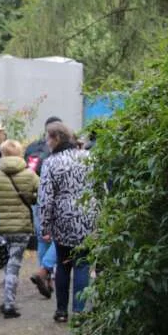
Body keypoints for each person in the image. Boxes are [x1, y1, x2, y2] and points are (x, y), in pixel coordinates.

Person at [40, 121, 97, 322]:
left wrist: (44, 225)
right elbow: (100, 187)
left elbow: (46, 198)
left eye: (48, 137)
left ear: (56, 138)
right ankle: (80, 310)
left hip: (63, 219)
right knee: (82, 263)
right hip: (88, 216)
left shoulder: (51, 162)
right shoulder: (90, 158)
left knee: (63, 264)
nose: (46, 142)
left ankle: (61, 311)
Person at [0, 139, 39, 318]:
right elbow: (41, 194)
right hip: (22, 228)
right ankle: (9, 303)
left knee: (7, 265)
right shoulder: (30, 175)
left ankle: (7, 300)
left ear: (3, 154)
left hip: (1, 228)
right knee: (14, 265)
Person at [28, 117, 64, 299]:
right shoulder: (59, 153)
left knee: (43, 238)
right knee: (60, 238)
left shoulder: (33, 148)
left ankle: (46, 276)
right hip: (57, 202)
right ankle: (45, 271)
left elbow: (29, 172)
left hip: (39, 200)